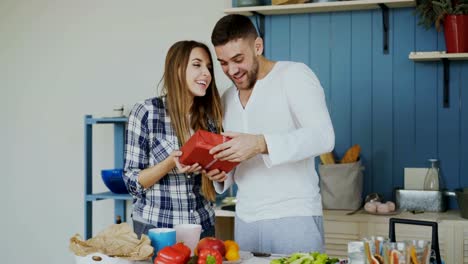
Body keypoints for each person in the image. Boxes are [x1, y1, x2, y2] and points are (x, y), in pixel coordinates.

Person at [206, 14, 335, 254]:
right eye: (223, 62)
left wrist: (261, 143)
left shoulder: (293, 75)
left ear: (258, 46)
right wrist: (220, 172)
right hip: (245, 220)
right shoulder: (227, 99)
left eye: (238, 59)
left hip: (294, 217)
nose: (232, 70)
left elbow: (324, 136)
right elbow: (236, 161)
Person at [123, 40, 223, 239]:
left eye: (209, 68)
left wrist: (215, 173)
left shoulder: (210, 118)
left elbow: (214, 183)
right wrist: (170, 163)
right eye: (197, 65)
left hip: (202, 228)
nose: (207, 73)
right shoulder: (146, 112)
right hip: (156, 229)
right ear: (177, 69)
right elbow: (132, 182)